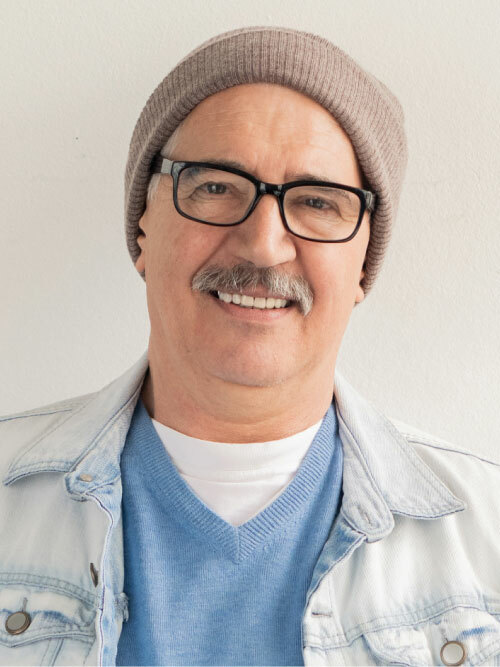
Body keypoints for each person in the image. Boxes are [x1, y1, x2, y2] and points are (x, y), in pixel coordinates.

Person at [0, 26, 499, 667]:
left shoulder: (486, 537)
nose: (263, 246)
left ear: (363, 267)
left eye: (317, 201)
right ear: (143, 228)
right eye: (215, 186)